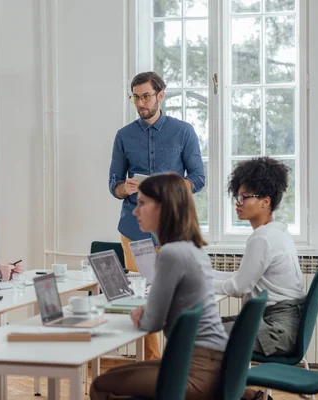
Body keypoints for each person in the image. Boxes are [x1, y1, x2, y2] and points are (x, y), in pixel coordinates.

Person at [91, 173, 227, 400]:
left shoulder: (171, 254)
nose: (135, 211)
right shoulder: (191, 249)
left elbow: (151, 322)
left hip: (196, 368)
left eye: (142, 203)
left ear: (165, 208)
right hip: (215, 362)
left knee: (101, 386)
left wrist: (142, 313)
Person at [108, 71, 205, 360]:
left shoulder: (184, 131)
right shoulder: (123, 136)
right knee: (143, 297)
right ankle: (152, 368)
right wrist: (125, 187)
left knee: (179, 300)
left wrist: (168, 188)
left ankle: (181, 366)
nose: (141, 102)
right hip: (135, 229)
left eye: (146, 96)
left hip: (173, 229)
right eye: (135, 97)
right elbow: (113, 185)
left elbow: (198, 178)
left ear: (160, 95)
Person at [214, 157, 305, 357]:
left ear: (265, 202)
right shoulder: (277, 232)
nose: (238, 203)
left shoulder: (263, 237)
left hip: (276, 330)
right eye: (237, 196)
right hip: (282, 325)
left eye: (245, 196)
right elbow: (242, 278)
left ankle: (224, 388)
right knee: (203, 327)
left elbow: (239, 287)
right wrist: (205, 274)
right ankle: (229, 387)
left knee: (195, 333)